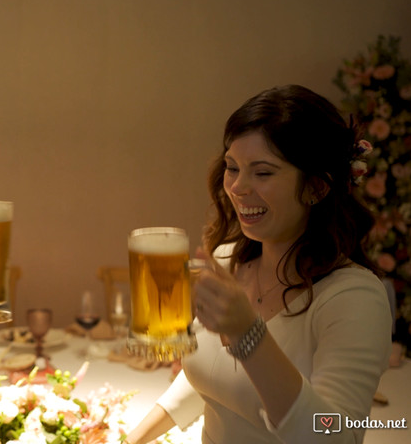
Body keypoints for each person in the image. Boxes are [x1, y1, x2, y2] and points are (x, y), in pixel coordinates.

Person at [127, 85, 391, 443]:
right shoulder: (228, 260)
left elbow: (332, 436)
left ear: (317, 187)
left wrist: (248, 336)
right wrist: (131, 439)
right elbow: (211, 378)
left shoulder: (354, 298)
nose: (237, 187)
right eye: (232, 167)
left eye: (262, 173)